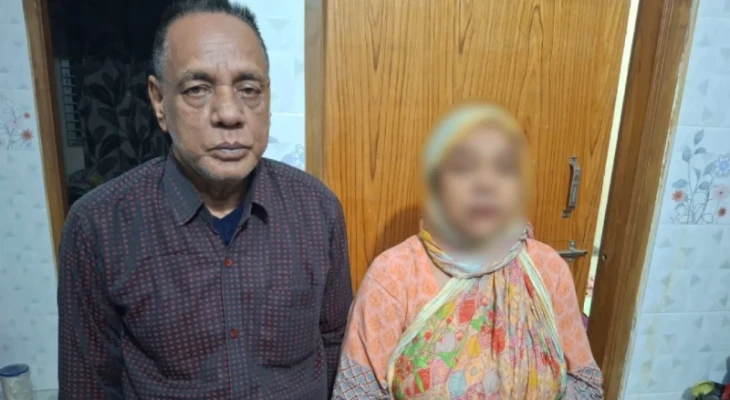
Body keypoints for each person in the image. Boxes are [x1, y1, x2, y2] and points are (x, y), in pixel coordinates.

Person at [57, 1, 352, 399]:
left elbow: (335, 345)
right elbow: (88, 385)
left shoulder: (318, 210)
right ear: (159, 101)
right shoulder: (99, 226)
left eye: (249, 89)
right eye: (198, 89)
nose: (229, 113)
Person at [332, 103, 602, 399]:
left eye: (504, 168)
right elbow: (355, 394)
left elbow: (586, 386)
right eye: (463, 167)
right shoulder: (394, 275)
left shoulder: (547, 268)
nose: (486, 184)